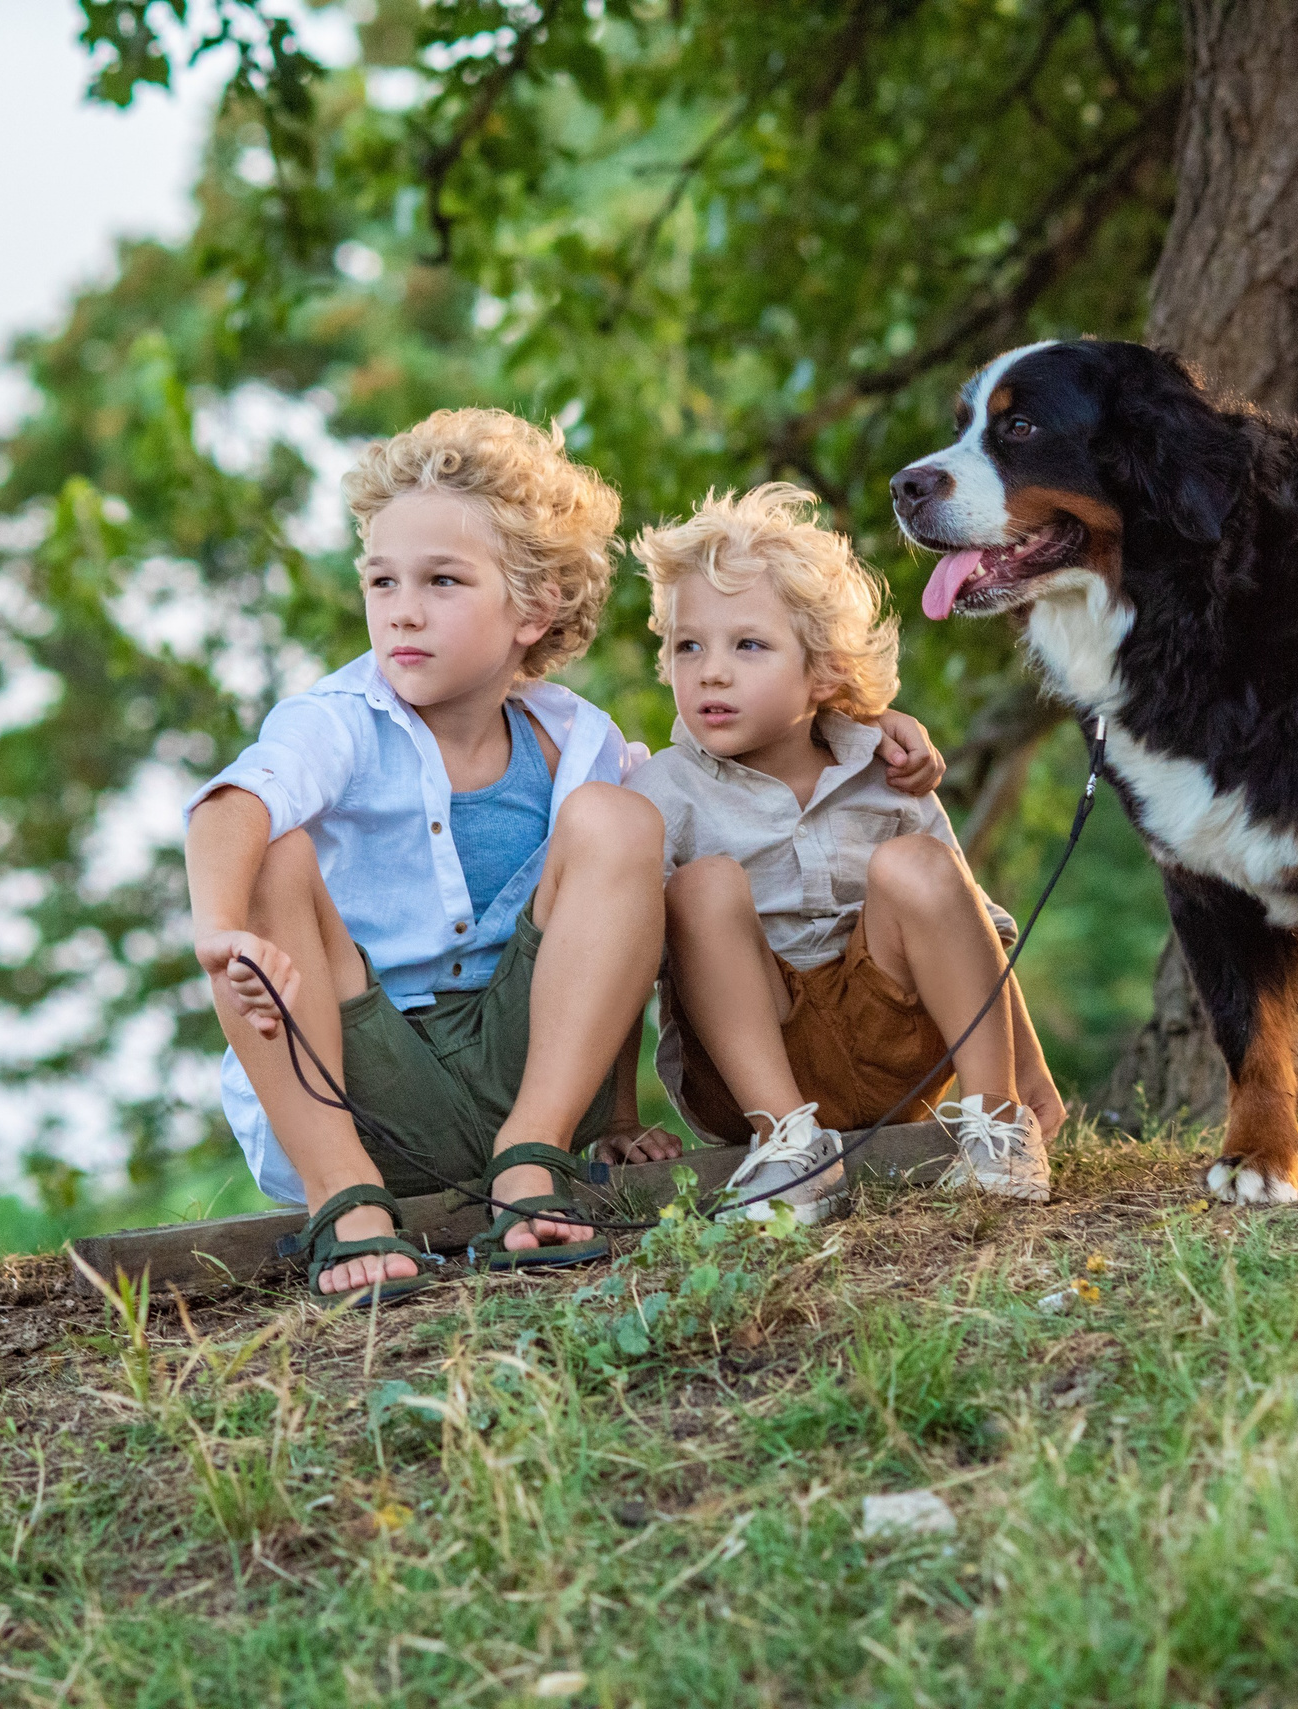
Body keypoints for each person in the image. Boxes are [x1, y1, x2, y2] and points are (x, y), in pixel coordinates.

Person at [186, 414, 947, 1303]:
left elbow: (661, 863)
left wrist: (865, 724)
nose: (402, 608)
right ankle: (343, 1200)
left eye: (442, 580)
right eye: (382, 579)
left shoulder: (579, 739)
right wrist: (220, 933)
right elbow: (232, 804)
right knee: (273, 852)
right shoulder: (338, 720)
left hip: (531, 1085)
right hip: (364, 1093)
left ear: (534, 608)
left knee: (619, 821)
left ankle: (529, 1161)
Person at [627, 484, 1067, 1226]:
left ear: (825, 671)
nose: (710, 671)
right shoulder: (660, 790)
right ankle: (789, 1150)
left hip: (894, 1048)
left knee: (917, 864)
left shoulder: (886, 772)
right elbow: (618, 959)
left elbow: (975, 929)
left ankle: (997, 1124)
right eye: (687, 645)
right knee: (702, 887)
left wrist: (1030, 1069)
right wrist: (616, 1117)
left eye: (748, 645)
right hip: (749, 1069)